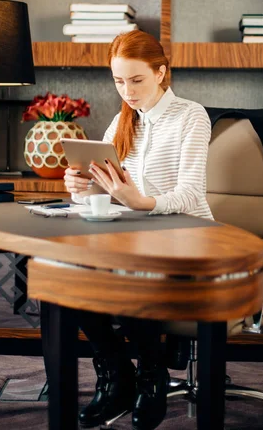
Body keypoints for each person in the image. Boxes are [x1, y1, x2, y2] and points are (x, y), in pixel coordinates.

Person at [64, 29, 213, 430]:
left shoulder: (191, 116)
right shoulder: (122, 121)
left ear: (161, 72)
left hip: (190, 241)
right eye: (118, 80)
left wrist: (142, 202)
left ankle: (152, 376)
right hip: (136, 237)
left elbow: (189, 193)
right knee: (62, 271)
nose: (126, 91)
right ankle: (116, 374)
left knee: (130, 269)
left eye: (136, 79)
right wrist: (80, 188)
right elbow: (105, 191)